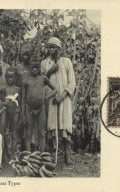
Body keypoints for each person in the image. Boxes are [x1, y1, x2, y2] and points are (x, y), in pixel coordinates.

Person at [41, 37, 76, 165]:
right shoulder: (44, 63)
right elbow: (42, 81)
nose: (51, 50)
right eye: (49, 47)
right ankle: (51, 153)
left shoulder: (66, 62)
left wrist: (63, 95)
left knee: (65, 124)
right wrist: (51, 70)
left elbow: (72, 82)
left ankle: (67, 154)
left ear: (59, 49)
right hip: (51, 99)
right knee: (51, 125)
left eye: (54, 47)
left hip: (64, 99)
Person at [22, 55, 57, 152]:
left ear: (39, 68)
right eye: (32, 67)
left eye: (37, 67)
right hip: (29, 108)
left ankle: (42, 156)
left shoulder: (43, 78)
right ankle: (28, 155)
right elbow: (23, 98)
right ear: (30, 68)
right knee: (28, 132)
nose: (34, 69)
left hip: (41, 108)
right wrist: (23, 114)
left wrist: (46, 98)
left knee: (42, 132)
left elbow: (55, 90)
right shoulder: (26, 80)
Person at [3, 67, 21, 159]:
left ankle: (12, 155)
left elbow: (20, 102)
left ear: (15, 78)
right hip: (5, 112)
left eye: (12, 77)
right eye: (8, 77)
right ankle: (6, 153)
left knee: (14, 133)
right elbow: (2, 100)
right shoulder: (3, 88)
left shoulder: (18, 89)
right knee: (5, 133)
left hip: (15, 113)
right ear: (5, 77)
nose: (10, 79)